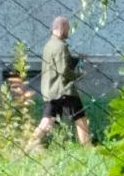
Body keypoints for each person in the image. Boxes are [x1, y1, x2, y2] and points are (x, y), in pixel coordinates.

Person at [34, 15, 92, 146]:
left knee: (47, 120)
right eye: (68, 28)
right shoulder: (61, 46)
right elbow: (63, 70)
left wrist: (75, 60)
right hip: (63, 90)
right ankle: (88, 147)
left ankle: (28, 146)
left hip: (50, 89)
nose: (68, 32)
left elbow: (56, 65)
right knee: (80, 117)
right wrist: (79, 75)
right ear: (61, 28)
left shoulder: (49, 45)